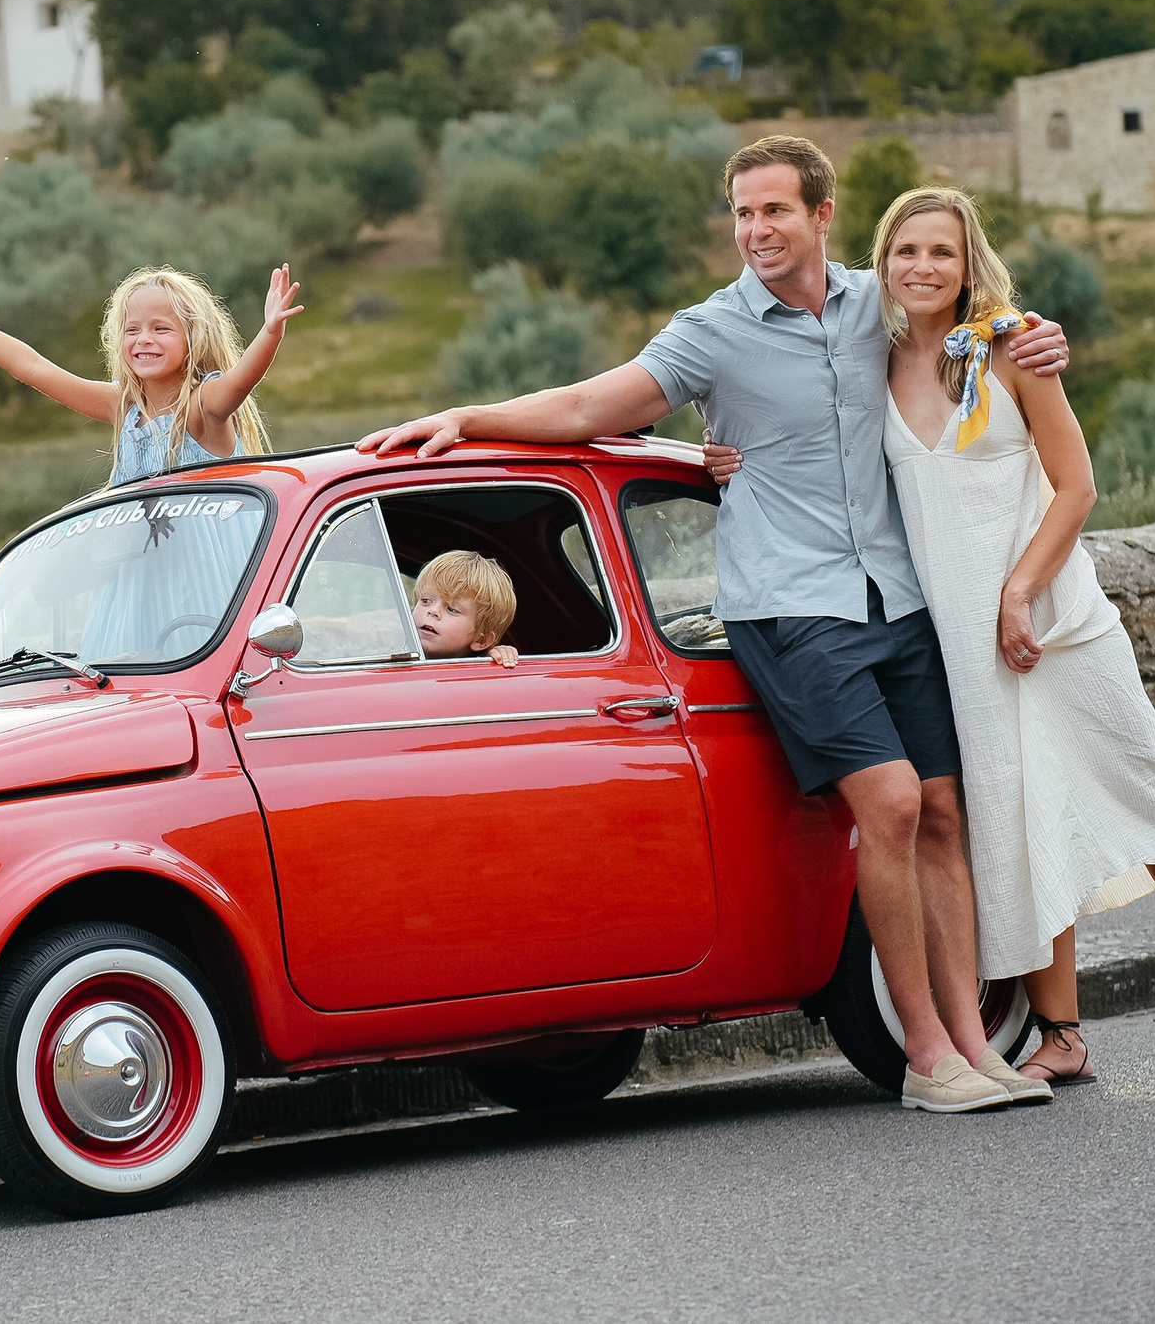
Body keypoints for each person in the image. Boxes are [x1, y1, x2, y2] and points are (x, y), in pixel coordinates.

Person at [360, 134, 1070, 1113]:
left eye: (773, 210)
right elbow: (583, 404)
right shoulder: (711, 332)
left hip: (896, 596)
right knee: (893, 806)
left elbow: (976, 324)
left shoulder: (879, 305)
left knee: (946, 813)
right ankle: (923, 1057)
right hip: (789, 605)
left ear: (822, 216)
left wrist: (1040, 338)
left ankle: (971, 1043)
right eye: (741, 213)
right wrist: (467, 418)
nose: (754, 229)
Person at [707, 186, 1155, 1083]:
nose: (920, 268)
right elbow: (800, 420)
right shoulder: (868, 356)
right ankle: (1062, 1033)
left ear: (967, 262)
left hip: (1055, 620)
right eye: (905, 251)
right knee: (1017, 820)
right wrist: (721, 452)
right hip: (957, 640)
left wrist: (1021, 591)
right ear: (882, 261)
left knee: (1144, 791)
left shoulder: (1010, 347)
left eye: (940, 253)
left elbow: (1077, 487)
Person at [0, 262, 301, 485]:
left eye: (161, 329)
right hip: (136, 586)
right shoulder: (122, 406)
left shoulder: (203, 406)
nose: (144, 340)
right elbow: (32, 367)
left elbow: (242, 380)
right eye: (132, 330)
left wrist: (269, 332)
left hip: (211, 587)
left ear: (194, 337)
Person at [411, 550, 522, 666]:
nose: (433, 611)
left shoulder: (476, 676)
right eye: (425, 601)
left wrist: (493, 660)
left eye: (451, 609)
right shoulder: (393, 643)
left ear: (481, 640)